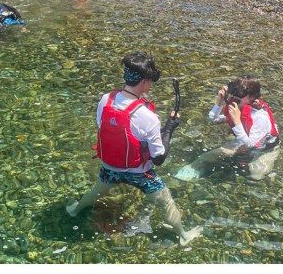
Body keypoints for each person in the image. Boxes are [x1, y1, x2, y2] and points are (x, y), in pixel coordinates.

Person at [66, 52, 201, 245]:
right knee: (166, 201)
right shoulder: (148, 116)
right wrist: (170, 128)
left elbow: (102, 126)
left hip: (110, 168)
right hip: (140, 173)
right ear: (145, 82)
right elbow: (159, 158)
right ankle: (183, 235)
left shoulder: (106, 99)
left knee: (95, 192)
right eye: (150, 82)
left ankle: (74, 210)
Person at [175, 75, 280, 182]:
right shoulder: (240, 105)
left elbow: (251, 145)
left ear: (252, 97)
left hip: (265, 147)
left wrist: (237, 122)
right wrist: (219, 103)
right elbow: (213, 119)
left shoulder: (260, 117)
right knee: (208, 156)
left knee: (255, 176)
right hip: (243, 140)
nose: (233, 101)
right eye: (233, 97)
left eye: (238, 99)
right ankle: (192, 170)